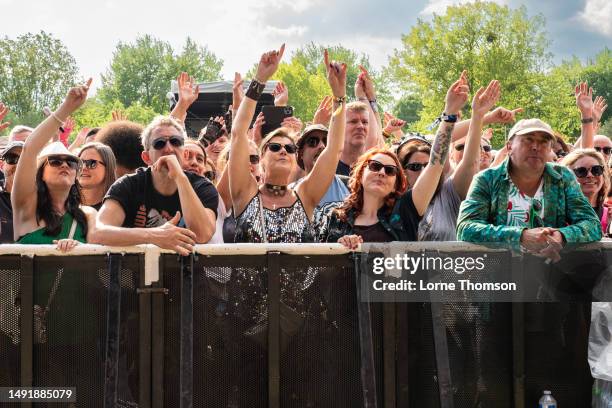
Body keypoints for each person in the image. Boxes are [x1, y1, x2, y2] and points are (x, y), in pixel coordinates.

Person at [320, 71, 470, 247]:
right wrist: (340, 245)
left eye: (390, 170)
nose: (382, 172)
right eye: (375, 166)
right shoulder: (338, 217)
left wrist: (450, 113)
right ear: (360, 173)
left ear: (397, 182)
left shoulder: (406, 211)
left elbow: (435, 165)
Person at [229, 45, 346, 244]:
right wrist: (260, 80)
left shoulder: (305, 195)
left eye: (290, 148)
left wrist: (339, 96)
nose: (283, 150)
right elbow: (238, 133)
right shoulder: (245, 192)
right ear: (261, 157)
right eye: (275, 147)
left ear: (295, 159)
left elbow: (334, 149)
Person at [457, 118, 602, 259]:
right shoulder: (487, 180)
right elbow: (465, 228)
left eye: (544, 141)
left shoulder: (563, 177)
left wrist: (562, 236)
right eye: (528, 139)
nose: (536, 147)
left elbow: (593, 224)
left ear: (550, 150)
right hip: (498, 275)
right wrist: (520, 236)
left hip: (551, 275)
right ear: (509, 147)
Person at [90, 116, 219, 255]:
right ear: (146, 157)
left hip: (186, 273)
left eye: (176, 142)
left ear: (184, 152)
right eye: (159, 143)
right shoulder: (128, 185)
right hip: (137, 274)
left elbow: (203, 234)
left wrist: (180, 178)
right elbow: (98, 233)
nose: (169, 149)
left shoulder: (202, 186)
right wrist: (154, 236)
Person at [11, 80, 97, 252]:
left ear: (75, 176)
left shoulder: (87, 215)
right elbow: (29, 149)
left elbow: (98, 253)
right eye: (56, 161)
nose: (64, 164)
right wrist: (67, 107)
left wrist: (79, 249)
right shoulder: (26, 207)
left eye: (71, 162)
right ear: (41, 172)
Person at [292, 124, 349, 206]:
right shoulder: (291, 193)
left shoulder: (351, 186)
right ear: (301, 153)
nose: (322, 146)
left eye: (327, 142)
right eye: (312, 142)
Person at [561, 149, 610, 235]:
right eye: (581, 171)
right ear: (566, 177)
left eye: (596, 170)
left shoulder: (609, 214)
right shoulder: (557, 214)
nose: (590, 175)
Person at [77, 142, 117, 210]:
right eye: (80, 162)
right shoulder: (63, 201)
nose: (83, 167)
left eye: (92, 163)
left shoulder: (116, 207)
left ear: (108, 168)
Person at [0, 141, 23, 243]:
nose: (18, 164)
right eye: (12, 158)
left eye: (24, 160)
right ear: (2, 165)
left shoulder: (44, 198)